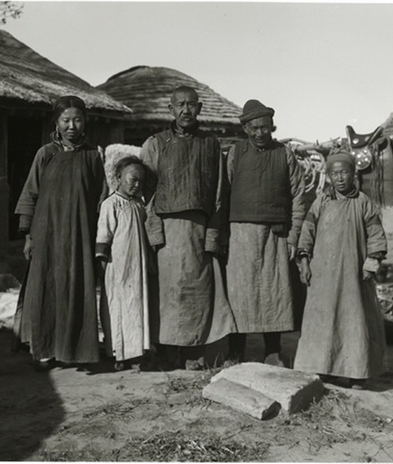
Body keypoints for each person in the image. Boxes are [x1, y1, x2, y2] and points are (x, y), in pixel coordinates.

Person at [140, 85, 236, 370]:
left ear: (200, 108)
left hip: (198, 228)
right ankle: (169, 350)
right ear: (170, 109)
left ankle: (194, 351)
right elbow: (147, 194)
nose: (185, 110)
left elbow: (219, 193)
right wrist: (154, 232)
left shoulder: (210, 144)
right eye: (179, 105)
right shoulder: (155, 144)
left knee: (197, 291)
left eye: (191, 104)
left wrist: (213, 233)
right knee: (167, 292)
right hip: (167, 230)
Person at [13, 95, 108, 371]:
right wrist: (28, 236)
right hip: (47, 234)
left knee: (76, 286)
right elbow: (30, 194)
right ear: (56, 122)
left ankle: (74, 350)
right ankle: (43, 347)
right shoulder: (45, 154)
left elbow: (101, 198)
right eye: (65, 120)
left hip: (79, 235)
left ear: (84, 122)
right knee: (45, 287)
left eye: (77, 119)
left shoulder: (92, 156)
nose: (71, 125)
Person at [293, 146, 388, 389]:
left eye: (344, 173)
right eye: (334, 174)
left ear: (353, 174)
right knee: (323, 321)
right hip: (323, 275)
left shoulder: (363, 203)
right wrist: (304, 261)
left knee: (354, 320)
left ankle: (357, 372)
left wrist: (372, 262)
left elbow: (376, 235)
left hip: (353, 276)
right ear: (329, 176)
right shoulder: (320, 202)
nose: (339, 178)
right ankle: (325, 368)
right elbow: (307, 233)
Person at [225, 99, 307, 367]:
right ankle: (236, 352)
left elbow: (298, 197)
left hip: (275, 235)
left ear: (272, 127)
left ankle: (272, 351)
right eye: (254, 128)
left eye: (265, 128)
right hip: (240, 234)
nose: (260, 133)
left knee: (275, 294)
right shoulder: (235, 154)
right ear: (245, 129)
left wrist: (294, 236)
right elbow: (223, 193)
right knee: (240, 294)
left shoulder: (285, 154)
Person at [96, 156, 151, 371]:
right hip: (117, 266)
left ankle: (137, 352)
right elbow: (104, 235)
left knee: (136, 306)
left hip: (138, 267)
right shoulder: (111, 204)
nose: (137, 185)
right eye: (132, 180)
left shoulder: (139, 204)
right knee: (117, 308)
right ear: (118, 178)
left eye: (140, 182)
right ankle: (118, 352)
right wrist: (101, 263)